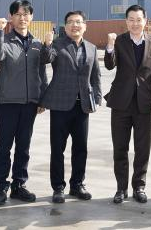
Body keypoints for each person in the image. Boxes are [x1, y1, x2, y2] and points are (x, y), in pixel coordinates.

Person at [104, 5, 151, 204]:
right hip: (121, 102)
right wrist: (110, 46)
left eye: (139, 19)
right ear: (126, 21)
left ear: (145, 21)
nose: (135, 23)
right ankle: (121, 188)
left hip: (144, 103)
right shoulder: (120, 41)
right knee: (120, 147)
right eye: (131, 19)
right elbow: (110, 65)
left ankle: (139, 186)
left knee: (142, 148)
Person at [0, 0, 47, 206]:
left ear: (31, 17)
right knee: (4, 146)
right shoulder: (4, 40)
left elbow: (41, 73)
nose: (22, 18)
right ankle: (1, 187)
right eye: (18, 14)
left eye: (26, 14)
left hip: (30, 103)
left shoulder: (37, 44)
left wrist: (42, 98)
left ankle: (19, 185)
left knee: (23, 146)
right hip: (8, 102)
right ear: (11, 17)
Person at [40, 10, 102, 203]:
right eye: (70, 22)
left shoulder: (91, 48)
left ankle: (77, 185)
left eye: (78, 22)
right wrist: (47, 44)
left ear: (85, 26)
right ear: (65, 26)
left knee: (81, 148)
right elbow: (46, 59)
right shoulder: (57, 44)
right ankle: (58, 187)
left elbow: (96, 76)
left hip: (82, 105)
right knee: (58, 148)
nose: (75, 25)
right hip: (60, 105)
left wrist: (97, 98)